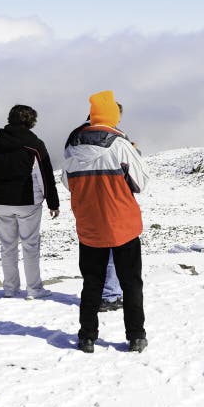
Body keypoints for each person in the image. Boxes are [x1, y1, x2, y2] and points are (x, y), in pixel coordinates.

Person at [62, 90, 149, 353]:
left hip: (89, 226)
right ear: (112, 117)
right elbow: (140, 183)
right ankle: (135, 336)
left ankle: (87, 336)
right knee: (131, 283)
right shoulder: (121, 145)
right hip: (122, 225)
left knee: (91, 283)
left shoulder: (72, 148)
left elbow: (69, 184)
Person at [0, 105, 60, 300]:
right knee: (30, 245)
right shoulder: (34, 143)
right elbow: (45, 175)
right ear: (30, 121)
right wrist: (52, 203)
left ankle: (10, 289)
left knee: (7, 246)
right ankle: (34, 289)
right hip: (27, 201)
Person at [66, 103, 127, 313]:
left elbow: (67, 174)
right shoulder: (117, 138)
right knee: (112, 248)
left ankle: (96, 293)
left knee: (91, 250)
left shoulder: (74, 138)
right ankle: (110, 295)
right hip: (111, 202)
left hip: (84, 203)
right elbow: (134, 178)